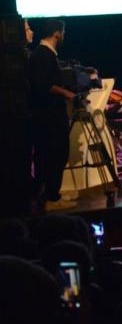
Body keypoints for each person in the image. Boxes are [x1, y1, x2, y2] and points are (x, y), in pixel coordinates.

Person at [27, 19, 76, 211]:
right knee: (55, 154)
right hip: (49, 116)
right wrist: (67, 93)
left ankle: (51, 195)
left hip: (48, 115)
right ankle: (51, 198)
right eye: (63, 32)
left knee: (51, 155)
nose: (63, 36)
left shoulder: (46, 54)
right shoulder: (42, 54)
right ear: (57, 33)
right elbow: (44, 84)